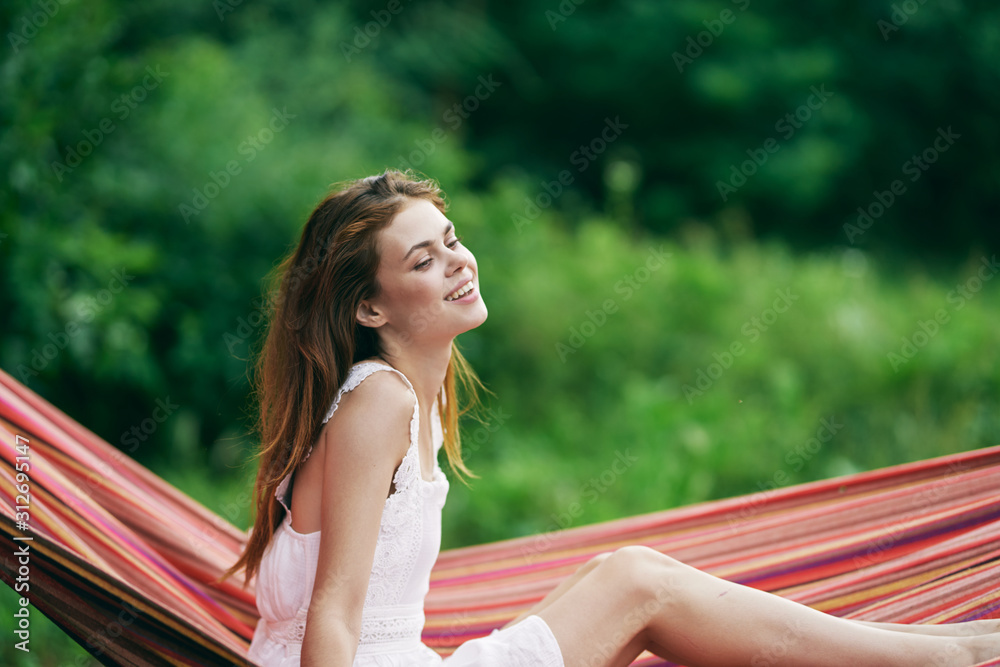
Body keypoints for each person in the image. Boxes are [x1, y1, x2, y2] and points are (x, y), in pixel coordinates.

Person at [221, 168, 1000, 667]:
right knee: (635, 582)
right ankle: (944, 657)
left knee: (613, 573)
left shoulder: (417, 395)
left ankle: (935, 643)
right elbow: (332, 618)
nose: (458, 260)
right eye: (423, 260)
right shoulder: (379, 398)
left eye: (451, 240)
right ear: (369, 305)